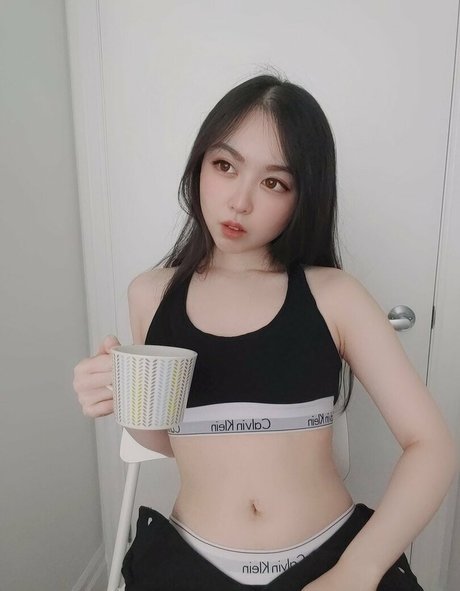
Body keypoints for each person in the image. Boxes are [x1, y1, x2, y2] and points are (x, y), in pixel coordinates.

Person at [73, 73, 458, 591]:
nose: (239, 202)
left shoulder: (334, 295)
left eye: (274, 182)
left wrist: (358, 570)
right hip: (193, 565)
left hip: (330, 562)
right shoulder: (151, 294)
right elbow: (173, 441)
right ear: (199, 165)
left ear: (304, 196)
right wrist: (119, 397)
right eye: (225, 166)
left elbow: (431, 444)